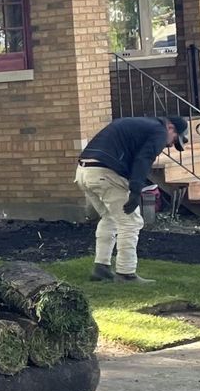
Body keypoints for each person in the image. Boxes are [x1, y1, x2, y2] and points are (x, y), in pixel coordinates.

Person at [75, 114, 186, 282]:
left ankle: (101, 269)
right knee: (131, 221)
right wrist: (135, 191)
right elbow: (143, 159)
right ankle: (126, 273)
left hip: (84, 172)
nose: (170, 144)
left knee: (110, 218)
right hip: (105, 172)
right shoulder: (159, 131)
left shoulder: (140, 125)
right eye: (174, 140)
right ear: (170, 128)